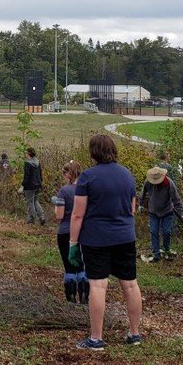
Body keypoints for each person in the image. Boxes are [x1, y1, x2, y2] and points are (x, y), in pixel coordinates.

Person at [68, 133, 142, 349]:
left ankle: (96, 338)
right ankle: (134, 334)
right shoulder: (128, 175)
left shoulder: (87, 177)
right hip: (125, 237)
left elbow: (78, 214)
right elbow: (132, 209)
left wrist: (73, 243)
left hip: (97, 239)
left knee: (98, 285)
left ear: (93, 152)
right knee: (130, 284)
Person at [51, 160, 87, 303]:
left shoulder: (64, 191)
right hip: (84, 232)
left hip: (66, 231)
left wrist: (56, 205)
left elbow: (59, 215)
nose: (64, 176)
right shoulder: (87, 189)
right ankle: (85, 297)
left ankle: (71, 300)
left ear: (69, 174)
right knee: (82, 265)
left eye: (64, 173)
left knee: (69, 266)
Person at [140, 166, 183, 261]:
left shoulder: (169, 183)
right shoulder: (148, 182)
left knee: (166, 232)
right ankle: (156, 254)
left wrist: (182, 214)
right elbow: (142, 194)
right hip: (153, 211)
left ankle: (166, 251)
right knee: (153, 232)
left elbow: (176, 200)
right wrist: (140, 205)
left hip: (167, 211)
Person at [22, 147, 45, 226]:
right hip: (38, 185)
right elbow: (40, 174)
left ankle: (33, 219)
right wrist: (40, 183)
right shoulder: (37, 162)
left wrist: (23, 185)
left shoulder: (27, 163)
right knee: (36, 201)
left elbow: (26, 176)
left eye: (26, 152)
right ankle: (41, 216)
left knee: (30, 202)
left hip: (29, 186)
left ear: (28, 154)